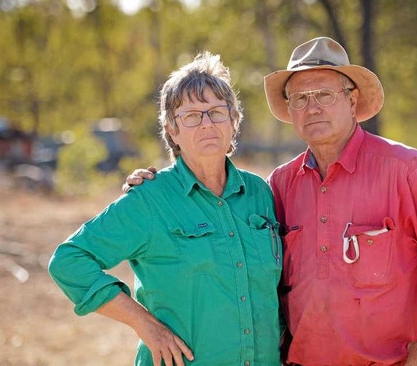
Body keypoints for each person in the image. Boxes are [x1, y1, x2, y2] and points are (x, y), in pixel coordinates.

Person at [126, 37, 417, 366]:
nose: (312, 107)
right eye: (300, 98)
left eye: (324, 94)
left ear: (352, 100)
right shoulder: (280, 186)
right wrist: (161, 187)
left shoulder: (406, 172)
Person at [49, 52, 283, 366]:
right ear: (172, 130)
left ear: (234, 121)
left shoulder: (260, 193)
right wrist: (145, 324)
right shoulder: (150, 199)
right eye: (191, 115)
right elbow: (69, 260)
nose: (206, 124)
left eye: (216, 112)